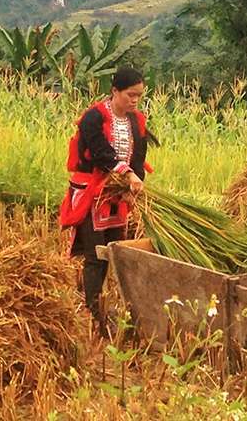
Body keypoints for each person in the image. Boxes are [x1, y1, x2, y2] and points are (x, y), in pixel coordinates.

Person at [59, 67, 156, 333]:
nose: (134, 101)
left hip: (117, 194)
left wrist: (134, 184)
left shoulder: (138, 122)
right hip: (92, 192)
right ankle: (94, 311)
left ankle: (106, 305)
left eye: (138, 96)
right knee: (95, 255)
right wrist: (126, 174)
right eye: (129, 95)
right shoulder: (94, 117)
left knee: (115, 250)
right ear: (115, 91)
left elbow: (137, 158)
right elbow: (101, 152)